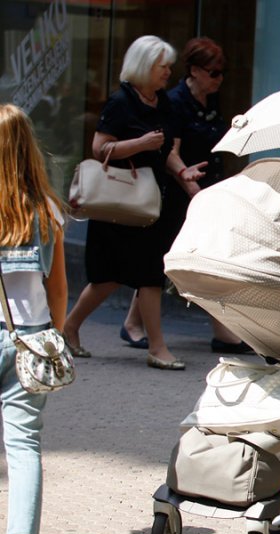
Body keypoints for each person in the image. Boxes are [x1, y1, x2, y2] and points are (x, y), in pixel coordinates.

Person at [63, 36, 206, 371]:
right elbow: (100, 148)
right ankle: (71, 329)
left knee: (149, 276)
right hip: (119, 204)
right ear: (144, 66)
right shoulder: (120, 102)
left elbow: (167, 150)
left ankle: (155, 346)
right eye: (163, 67)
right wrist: (139, 144)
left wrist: (183, 172)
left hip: (148, 203)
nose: (168, 73)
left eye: (169, 67)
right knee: (110, 279)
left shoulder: (162, 103)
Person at [120, 37, 252, 355]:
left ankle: (132, 323)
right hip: (181, 196)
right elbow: (171, 151)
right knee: (191, 260)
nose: (219, 79)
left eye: (223, 73)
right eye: (213, 72)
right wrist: (189, 185)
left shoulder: (209, 102)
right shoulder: (176, 102)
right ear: (193, 70)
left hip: (204, 191)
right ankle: (221, 329)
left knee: (173, 261)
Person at [0, 104, 68, 534]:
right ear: (30, 152)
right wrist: (54, 336)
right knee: (24, 445)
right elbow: (59, 288)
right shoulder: (47, 211)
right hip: (29, 340)